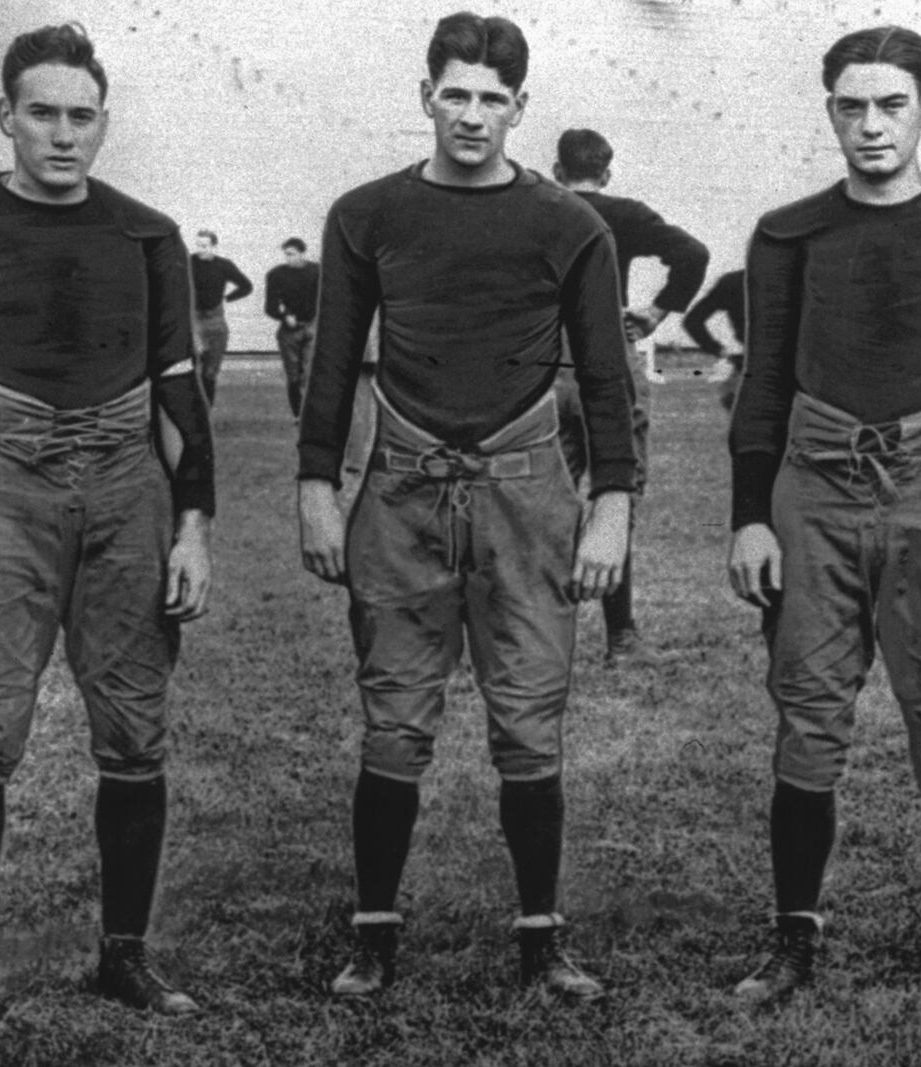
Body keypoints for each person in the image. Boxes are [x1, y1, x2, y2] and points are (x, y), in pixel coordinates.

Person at [296, 11, 635, 1002]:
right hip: (400, 490)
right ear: (425, 97)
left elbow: (607, 380)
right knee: (394, 715)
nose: (473, 115)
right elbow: (330, 364)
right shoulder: (366, 216)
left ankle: (542, 939)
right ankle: (373, 937)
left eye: (494, 98)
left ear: (521, 108)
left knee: (530, 718)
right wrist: (318, 488)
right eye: (457, 94)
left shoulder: (571, 225)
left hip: (525, 491)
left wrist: (611, 503)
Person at [0, 23, 215, 1021]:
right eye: (42, 114)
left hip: (126, 485)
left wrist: (193, 522)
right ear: (6, 119)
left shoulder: (147, 233)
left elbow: (178, 387)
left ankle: (125, 953)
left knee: (134, 725)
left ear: (102, 122)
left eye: (81, 116)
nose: (63, 135)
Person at [726, 25, 921, 1008]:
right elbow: (762, 382)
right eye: (852, 106)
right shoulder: (789, 232)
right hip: (810, 488)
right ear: (830, 113)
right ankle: (792, 940)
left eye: (890, 105)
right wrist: (749, 516)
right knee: (806, 718)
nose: (870, 125)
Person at [551, 127, 708, 663]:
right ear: (607, 172)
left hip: (543, 365)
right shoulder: (623, 212)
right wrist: (658, 310)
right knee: (615, 497)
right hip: (608, 363)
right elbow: (693, 253)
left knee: (544, 500)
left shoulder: (536, 208)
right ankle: (621, 638)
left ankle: (536, 634)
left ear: (556, 171)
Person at [188, 228, 252, 406]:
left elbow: (246, 286)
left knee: (210, 372)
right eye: (199, 245)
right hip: (195, 320)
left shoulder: (223, 265)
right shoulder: (188, 263)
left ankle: (207, 409)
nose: (201, 249)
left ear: (214, 247)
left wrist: (227, 298)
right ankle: (195, 412)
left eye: (205, 246)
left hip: (216, 321)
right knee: (193, 370)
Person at [264, 236, 319, 418]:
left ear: (302, 253)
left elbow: (327, 299)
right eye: (286, 255)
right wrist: (284, 315)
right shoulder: (277, 275)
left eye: (292, 254)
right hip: (289, 331)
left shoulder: (317, 272)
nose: (288, 258)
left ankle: (311, 413)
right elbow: (270, 307)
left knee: (310, 371)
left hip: (311, 326)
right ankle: (297, 415)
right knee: (293, 374)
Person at [681, 267, 746, 409]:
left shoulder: (735, 281)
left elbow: (693, 321)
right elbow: (693, 321)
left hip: (750, 366)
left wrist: (720, 350)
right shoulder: (796, 278)